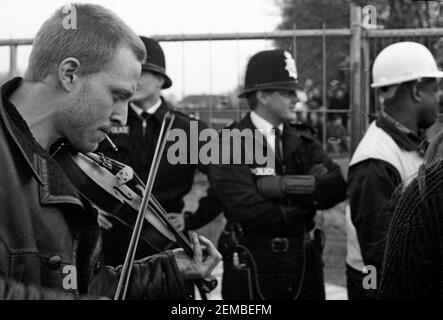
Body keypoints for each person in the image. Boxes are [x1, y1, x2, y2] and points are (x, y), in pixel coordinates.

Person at [0, 3, 221, 300]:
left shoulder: (60, 160)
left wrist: (171, 268)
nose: (123, 117)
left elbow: (85, 288)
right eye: (118, 96)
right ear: (69, 74)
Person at [210, 49, 347, 300]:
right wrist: (309, 194)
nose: (296, 99)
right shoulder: (227, 144)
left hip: (303, 261)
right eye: (287, 92)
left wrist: (280, 186)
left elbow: (337, 186)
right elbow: (247, 208)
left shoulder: (302, 138)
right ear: (262, 95)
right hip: (253, 264)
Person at [96, 36, 224, 266]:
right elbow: (71, 167)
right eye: (127, 73)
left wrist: (191, 219)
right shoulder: (104, 121)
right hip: (113, 245)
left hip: (167, 243)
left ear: (160, 79)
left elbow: (225, 178)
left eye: (140, 72)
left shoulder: (188, 129)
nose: (132, 80)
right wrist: (89, 208)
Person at [345, 41, 443, 300]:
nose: (439, 98)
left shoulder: (407, 143)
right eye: (435, 89)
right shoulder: (375, 160)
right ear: (417, 91)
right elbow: (383, 257)